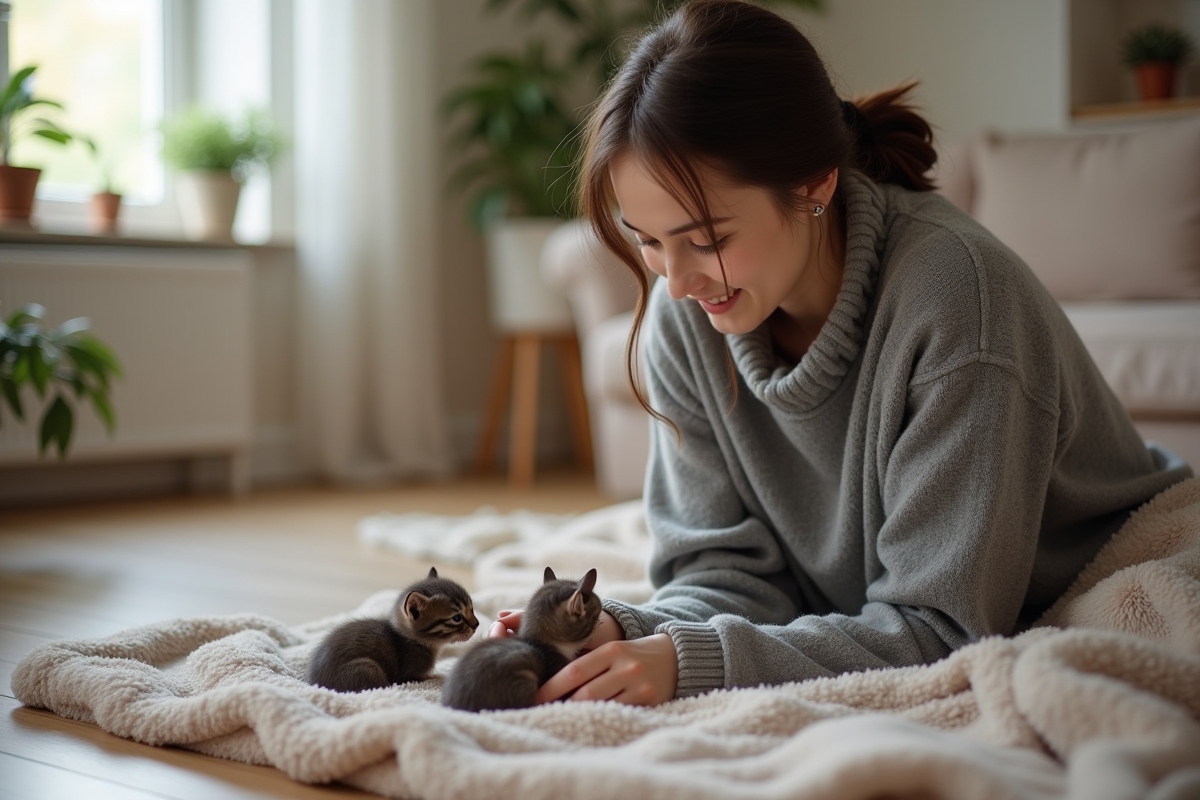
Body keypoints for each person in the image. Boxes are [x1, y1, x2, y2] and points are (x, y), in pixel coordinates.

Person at [487, 0, 1192, 706]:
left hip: (1095, 561)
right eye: (647, 239)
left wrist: (698, 661)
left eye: (706, 239)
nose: (675, 281)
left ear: (813, 182)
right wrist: (619, 631)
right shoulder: (687, 314)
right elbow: (728, 577)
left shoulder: (959, 303)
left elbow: (939, 629)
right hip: (901, 605)